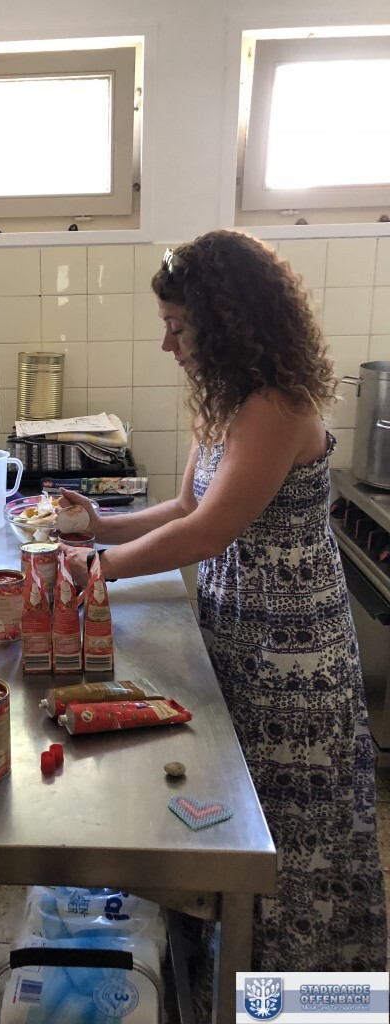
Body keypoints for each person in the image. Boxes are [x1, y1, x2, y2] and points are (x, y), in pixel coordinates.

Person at [58, 230, 387, 1006]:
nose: (167, 343)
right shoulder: (225, 402)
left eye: (179, 325)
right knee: (236, 815)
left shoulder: (277, 406)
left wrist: (99, 569)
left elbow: (209, 532)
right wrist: (98, 526)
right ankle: (224, 980)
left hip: (291, 655)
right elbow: (184, 507)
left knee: (290, 833)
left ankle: (301, 1004)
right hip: (236, 631)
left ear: (226, 321)